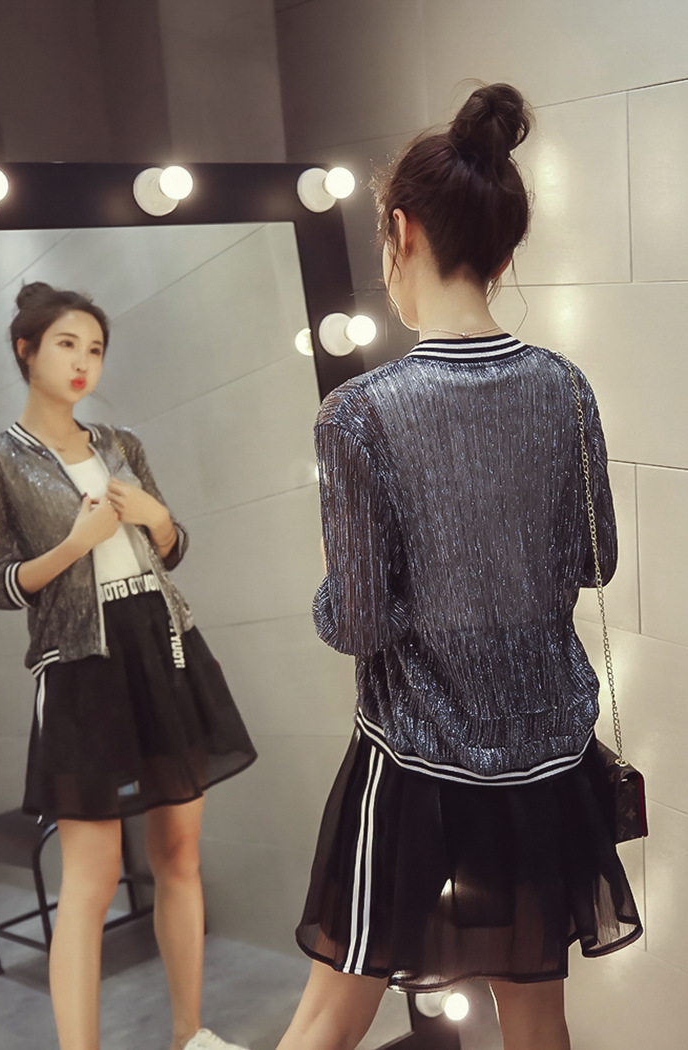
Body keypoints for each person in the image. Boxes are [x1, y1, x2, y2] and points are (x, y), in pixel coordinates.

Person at [277, 84, 642, 1050]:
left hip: (416, 770)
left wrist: (334, 589)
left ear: (398, 232)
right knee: (537, 1019)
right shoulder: (565, 386)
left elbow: (358, 622)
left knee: (329, 1016)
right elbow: (597, 559)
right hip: (546, 762)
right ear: (504, 253)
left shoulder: (358, 414)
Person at [0, 282, 256, 1050]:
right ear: (26, 350)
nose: (82, 361)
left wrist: (161, 521)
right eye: (67, 344)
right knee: (89, 882)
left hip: (161, 646)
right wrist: (73, 546)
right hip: (81, 667)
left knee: (179, 855)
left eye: (94, 348)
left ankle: (190, 1034)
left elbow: (170, 549)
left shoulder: (122, 444)